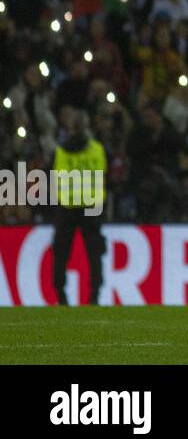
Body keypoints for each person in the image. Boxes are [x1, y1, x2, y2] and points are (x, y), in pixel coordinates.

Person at [51, 116, 108, 306]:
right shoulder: (97, 149)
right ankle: (95, 296)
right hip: (92, 207)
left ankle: (61, 295)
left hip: (68, 207)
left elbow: (57, 176)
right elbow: (103, 173)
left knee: (61, 252)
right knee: (94, 253)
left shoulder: (61, 151)